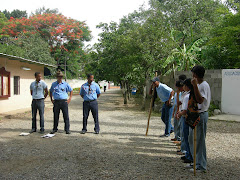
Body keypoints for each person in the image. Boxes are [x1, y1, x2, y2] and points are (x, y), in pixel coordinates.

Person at [188, 65, 211, 172]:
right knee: (193, 139)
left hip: (201, 114)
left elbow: (200, 100)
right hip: (195, 114)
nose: (192, 75)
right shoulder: (198, 84)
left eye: (193, 73)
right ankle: (196, 162)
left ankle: (202, 165)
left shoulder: (203, 85)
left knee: (200, 140)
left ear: (195, 75)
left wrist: (195, 87)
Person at [49, 70, 73, 134]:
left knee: (66, 116)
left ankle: (67, 129)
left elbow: (71, 90)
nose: (60, 78)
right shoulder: (54, 84)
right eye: (59, 76)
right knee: (56, 116)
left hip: (64, 101)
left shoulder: (65, 84)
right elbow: (50, 91)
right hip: (56, 102)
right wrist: (51, 99)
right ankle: (55, 128)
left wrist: (70, 98)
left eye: (61, 77)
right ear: (57, 77)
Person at [177, 79, 193, 163]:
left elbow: (185, 110)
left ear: (186, 86)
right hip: (184, 116)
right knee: (185, 135)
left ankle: (189, 155)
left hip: (185, 117)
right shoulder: (186, 94)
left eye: (184, 85)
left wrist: (180, 114)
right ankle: (187, 154)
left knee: (186, 136)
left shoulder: (187, 96)